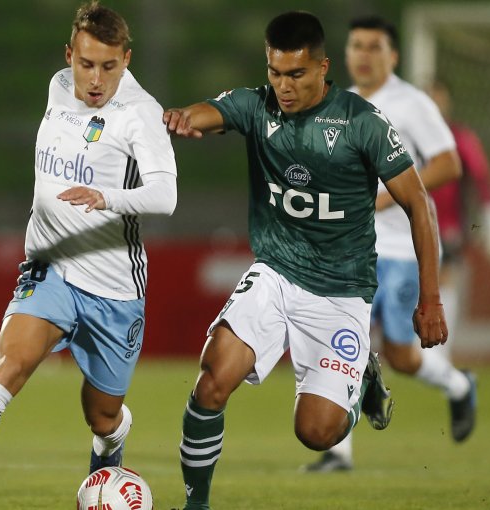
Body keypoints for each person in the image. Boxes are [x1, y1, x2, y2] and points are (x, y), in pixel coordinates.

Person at [163, 11, 447, 510]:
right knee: (213, 378)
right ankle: (196, 504)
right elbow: (207, 112)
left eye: (295, 74)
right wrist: (183, 120)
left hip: (341, 291)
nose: (283, 85)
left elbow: (419, 205)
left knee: (317, 432)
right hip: (276, 270)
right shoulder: (257, 106)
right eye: (275, 72)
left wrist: (431, 299)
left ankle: (359, 381)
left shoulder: (362, 122)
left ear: (322, 68)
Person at [0, 2, 178, 509]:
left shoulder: (140, 115)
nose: (96, 78)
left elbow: (165, 196)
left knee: (103, 415)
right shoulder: (58, 86)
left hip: (114, 288)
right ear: (70, 56)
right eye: (86, 64)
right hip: (50, 267)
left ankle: (111, 442)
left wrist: (104, 197)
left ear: (127, 59)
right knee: (8, 365)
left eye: (109, 66)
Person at [302, 15, 476, 474]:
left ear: (392, 55)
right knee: (341, 341)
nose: (362, 54)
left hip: (402, 250)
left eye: (373, 46)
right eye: (356, 45)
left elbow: (448, 164)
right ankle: (338, 451)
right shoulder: (337, 104)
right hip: (351, 249)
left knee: (401, 355)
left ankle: (458, 385)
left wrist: (383, 197)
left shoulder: (412, 103)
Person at [426, 78, 490, 355]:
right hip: (409, 222)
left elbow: (481, 176)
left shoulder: (459, 137)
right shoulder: (405, 135)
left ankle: (439, 349)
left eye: (437, 98)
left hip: (449, 224)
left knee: (444, 278)